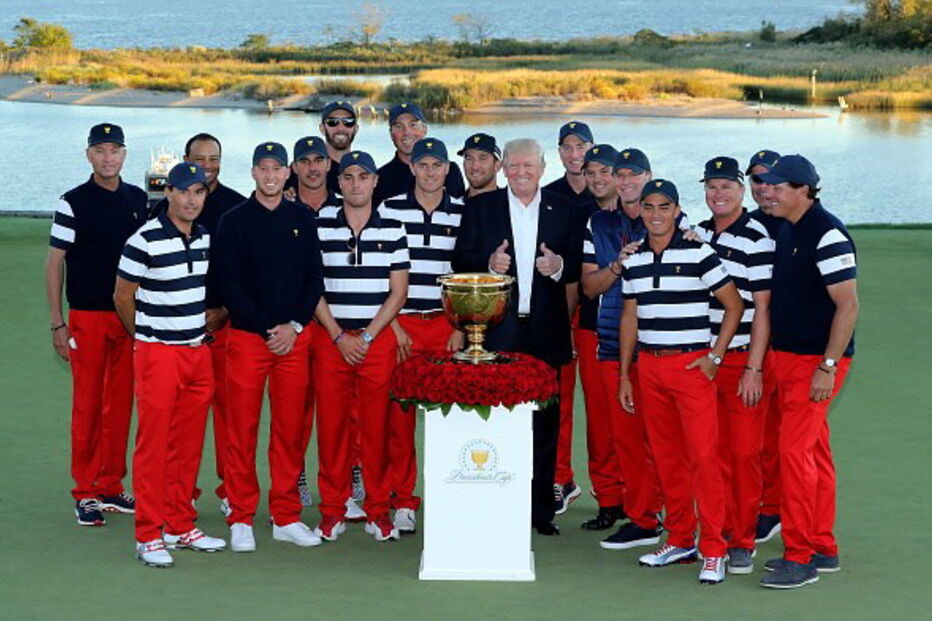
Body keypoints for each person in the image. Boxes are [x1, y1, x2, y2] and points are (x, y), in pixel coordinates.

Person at [453, 138, 581, 536]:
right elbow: (460, 259)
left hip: (546, 333)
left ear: (542, 168)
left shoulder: (565, 209)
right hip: (496, 333)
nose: (521, 172)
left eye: (529, 165)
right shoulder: (480, 207)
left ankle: (540, 512)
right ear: (502, 169)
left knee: (545, 426)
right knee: (494, 421)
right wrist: (489, 264)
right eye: (514, 165)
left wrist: (558, 267)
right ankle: (493, 504)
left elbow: (578, 264)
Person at [618, 179, 743, 585]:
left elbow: (734, 305)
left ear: (676, 210)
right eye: (648, 207)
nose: (655, 214)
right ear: (640, 210)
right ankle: (680, 539)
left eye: (664, 207)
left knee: (704, 459)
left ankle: (714, 548)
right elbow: (630, 318)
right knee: (666, 458)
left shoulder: (698, 252)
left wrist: (716, 356)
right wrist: (624, 374)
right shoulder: (634, 258)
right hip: (649, 367)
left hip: (691, 367)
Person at [213, 142, 324, 552]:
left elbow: (314, 278)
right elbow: (228, 284)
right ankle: (241, 516)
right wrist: (266, 328)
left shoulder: (302, 218)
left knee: (290, 431)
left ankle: (286, 515)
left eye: (277, 169)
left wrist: (293, 326)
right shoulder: (233, 220)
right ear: (253, 173)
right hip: (247, 339)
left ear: (287, 172)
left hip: (293, 339)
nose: (271, 176)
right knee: (241, 430)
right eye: (264, 168)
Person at [114, 163, 226, 567]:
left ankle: (179, 525)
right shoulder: (143, 239)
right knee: (153, 445)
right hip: (158, 354)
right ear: (169, 194)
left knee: (188, 445)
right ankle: (148, 534)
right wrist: (144, 337)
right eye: (184, 191)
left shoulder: (206, 238)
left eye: (199, 192)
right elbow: (122, 297)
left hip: (197, 353)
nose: (191, 200)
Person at [755, 155, 858, 590]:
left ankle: (800, 558)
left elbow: (847, 306)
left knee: (794, 455)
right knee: (813, 452)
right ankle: (822, 547)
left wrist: (827, 367)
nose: (767, 192)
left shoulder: (827, 233)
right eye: (766, 185)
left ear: (803, 190)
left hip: (815, 362)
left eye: (777, 186)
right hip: (789, 357)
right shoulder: (788, 228)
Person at [47, 122, 148, 526]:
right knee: (88, 404)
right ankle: (85, 491)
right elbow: (54, 263)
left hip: (128, 318)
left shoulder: (139, 199)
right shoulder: (72, 202)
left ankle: (110, 485)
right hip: (86, 317)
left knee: (120, 404)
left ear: (124, 154)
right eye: (100, 150)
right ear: (89, 155)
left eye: (115, 150)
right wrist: (58, 323)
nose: (108, 158)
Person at [312, 150, 410, 542]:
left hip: (376, 341)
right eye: (348, 177)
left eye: (363, 176)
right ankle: (332, 511)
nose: (356, 184)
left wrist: (367, 337)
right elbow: (312, 287)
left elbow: (398, 292)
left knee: (377, 430)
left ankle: (378, 511)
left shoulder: (394, 228)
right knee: (331, 429)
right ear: (339, 183)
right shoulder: (319, 226)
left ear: (375, 182)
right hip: (331, 340)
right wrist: (339, 336)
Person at [149, 132, 246, 518]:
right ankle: (179, 491)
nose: (207, 166)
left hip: (222, 325)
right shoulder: (162, 210)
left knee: (228, 414)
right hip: (176, 333)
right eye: (199, 158)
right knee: (178, 418)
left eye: (214, 158)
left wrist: (225, 310)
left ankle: (229, 489)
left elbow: (244, 271)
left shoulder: (237, 206)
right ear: (186, 159)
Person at [694, 157, 775, 575]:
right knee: (710, 453)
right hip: (702, 359)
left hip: (742, 359)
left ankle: (742, 540)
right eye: (712, 186)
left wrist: (754, 369)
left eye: (726, 186)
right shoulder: (697, 234)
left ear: (742, 191)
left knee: (743, 454)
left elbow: (763, 308)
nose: (718, 194)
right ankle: (716, 533)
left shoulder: (757, 238)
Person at [579, 146, 663, 545]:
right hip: (613, 343)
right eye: (621, 175)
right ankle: (642, 517)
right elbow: (589, 286)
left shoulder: (669, 221)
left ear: (648, 176)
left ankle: (668, 515)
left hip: (662, 343)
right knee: (625, 437)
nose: (626, 182)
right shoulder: (598, 223)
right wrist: (617, 265)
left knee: (661, 437)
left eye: (633, 174)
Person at [380, 138, 464, 534]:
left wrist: (460, 327)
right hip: (403, 326)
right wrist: (392, 325)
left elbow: (469, 274)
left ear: (447, 169)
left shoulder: (464, 211)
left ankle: (450, 496)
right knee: (399, 422)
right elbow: (378, 270)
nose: (430, 172)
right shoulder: (388, 209)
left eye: (437, 165)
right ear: (412, 168)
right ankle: (403, 500)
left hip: (446, 326)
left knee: (449, 418)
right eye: (423, 165)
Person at [543, 121, 595, 512]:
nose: (575, 154)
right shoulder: (547, 196)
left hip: (597, 315)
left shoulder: (607, 194)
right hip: (556, 312)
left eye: (582, 147)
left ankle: (614, 488)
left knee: (605, 406)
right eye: (568, 147)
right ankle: (560, 479)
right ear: (559, 153)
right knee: (556, 400)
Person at [746, 148, 784, 544]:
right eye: (757, 180)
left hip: (788, 344)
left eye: (771, 179)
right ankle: (762, 504)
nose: (764, 187)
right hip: (755, 341)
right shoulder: (749, 224)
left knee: (777, 432)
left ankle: (773, 508)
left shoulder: (796, 222)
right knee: (754, 434)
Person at [373, 102, 465, 205]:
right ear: (391, 134)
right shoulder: (380, 178)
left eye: (413, 125)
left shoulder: (450, 172)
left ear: (425, 129)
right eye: (399, 126)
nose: (406, 132)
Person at [458, 132, 502, 199]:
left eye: (483, 159)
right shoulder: (453, 204)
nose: (475, 167)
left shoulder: (512, 204)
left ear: (497, 165)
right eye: (469, 158)